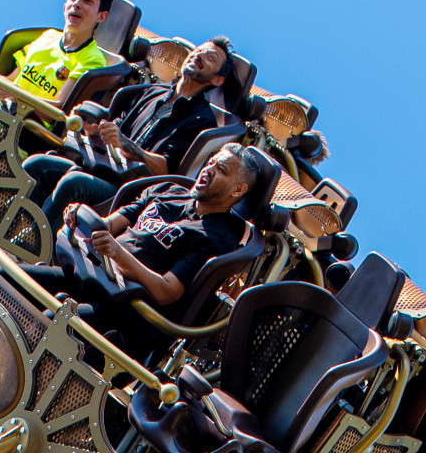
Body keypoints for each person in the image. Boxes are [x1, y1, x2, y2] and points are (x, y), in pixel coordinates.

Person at [31, 143, 261, 347]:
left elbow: (166, 291)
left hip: (122, 311)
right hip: (91, 275)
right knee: (14, 279)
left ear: (238, 190)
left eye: (221, 169)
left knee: (45, 323)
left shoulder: (217, 239)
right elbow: (108, 224)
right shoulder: (168, 190)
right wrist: (80, 214)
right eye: (210, 162)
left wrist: (117, 253)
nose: (208, 169)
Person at [23, 39, 232, 223]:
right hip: (99, 167)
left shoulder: (202, 119)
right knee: (36, 164)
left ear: (217, 80)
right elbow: (115, 128)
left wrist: (126, 144)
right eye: (198, 50)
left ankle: (31, 246)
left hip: (127, 191)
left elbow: (167, 170)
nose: (198, 55)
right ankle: (11, 228)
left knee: (72, 183)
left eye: (210, 57)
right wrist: (93, 129)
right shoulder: (151, 93)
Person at [6, 0, 116, 103]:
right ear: (64, 7)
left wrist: (13, 94)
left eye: (87, 0)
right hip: (2, 108)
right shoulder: (48, 36)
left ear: (101, 16)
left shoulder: (92, 60)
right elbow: (10, 80)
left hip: (27, 115)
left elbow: (57, 109)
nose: (77, 4)